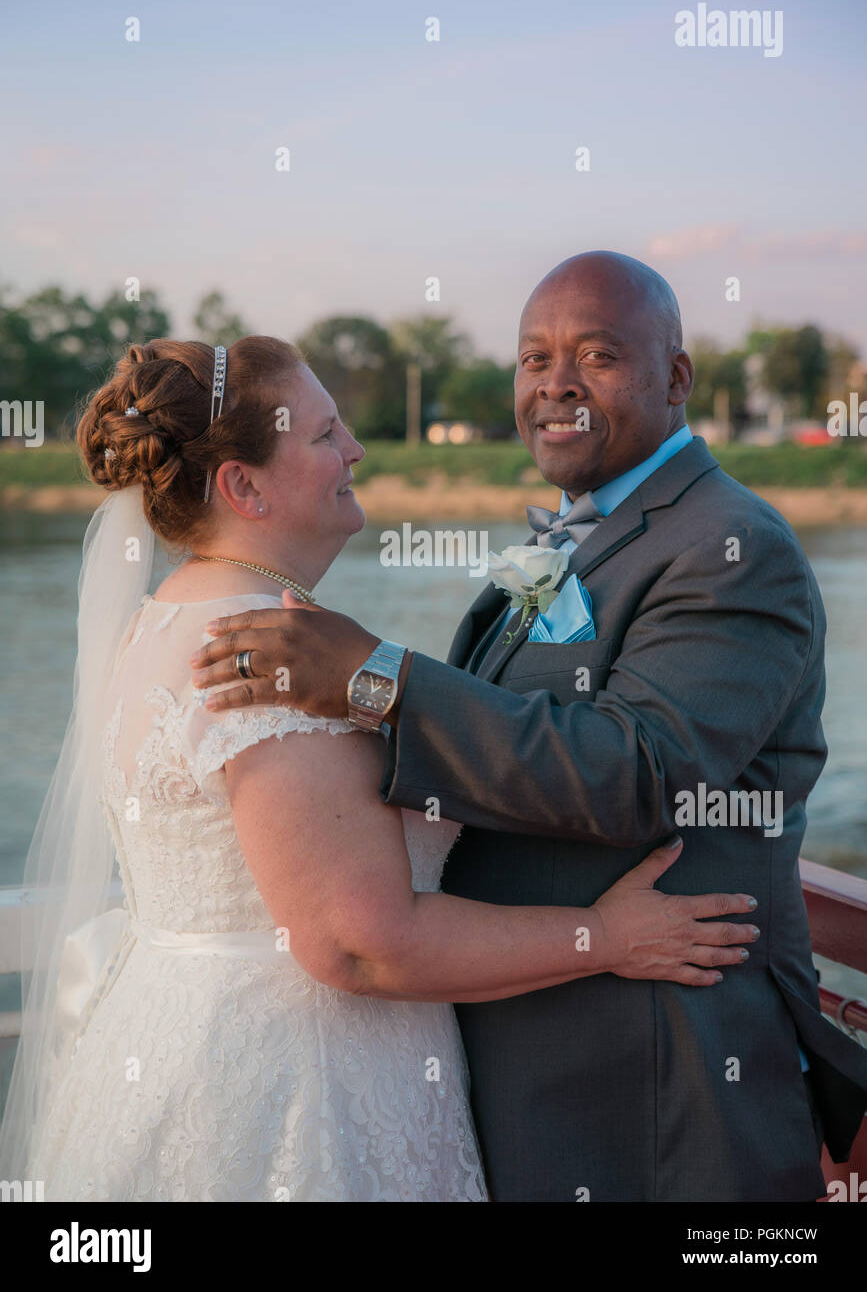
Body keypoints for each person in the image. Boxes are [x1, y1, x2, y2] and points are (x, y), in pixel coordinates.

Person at [0, 332, 758, 1203]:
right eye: (323, 436)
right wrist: (609, 939)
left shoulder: (161, 621)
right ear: (242, 486)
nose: (354, 449)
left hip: (176, 1042)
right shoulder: (269, 656)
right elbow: (360, 943)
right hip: (299, 1096)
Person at [192, 254, 867, 1202]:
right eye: (532, 357)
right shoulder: (567, 537)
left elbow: (645, 768)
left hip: (659, 1071)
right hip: (531, 1047)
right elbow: (501, 738)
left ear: (674, 379)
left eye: (595, 354)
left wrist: (376, 676)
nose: (554, 383)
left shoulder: (732, 546)